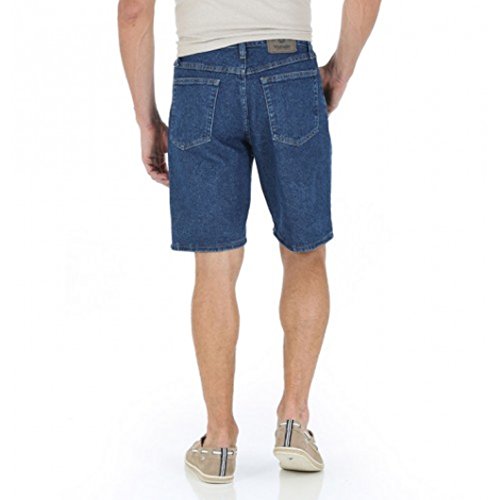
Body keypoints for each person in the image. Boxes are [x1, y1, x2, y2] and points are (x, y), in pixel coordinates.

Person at [118, 0, 381, 484]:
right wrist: (341, 68)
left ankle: (219, 441)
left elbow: (134, 10)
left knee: (215, 266)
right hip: (289, 70)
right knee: (304, 252)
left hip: (201, 77)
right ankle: (294, 421)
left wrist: (146, 119)